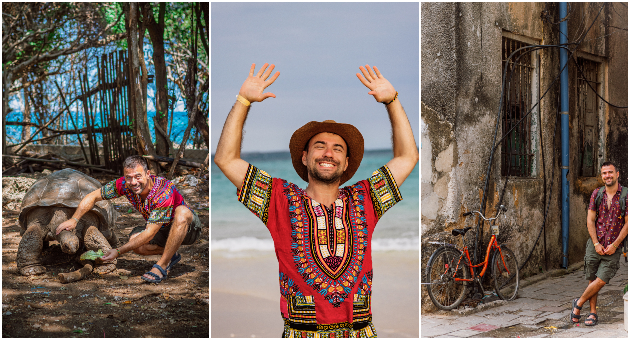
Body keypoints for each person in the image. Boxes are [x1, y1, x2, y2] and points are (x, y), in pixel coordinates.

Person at [214, 63, 418, 337]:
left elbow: (407, 158)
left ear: (346, 163)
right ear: (304, 157)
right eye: (319, 146)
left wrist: (392, 101)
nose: (328, 153)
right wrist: (243, 101)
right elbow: (226, 160)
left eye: (337, 149)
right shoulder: (280, 200)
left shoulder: (364, 198)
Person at [55, 155, 202, 283]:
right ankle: (172, 254)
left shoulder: (163, 192)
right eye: (129, 177)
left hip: (187, 230)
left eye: (138, 176)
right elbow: (93, 196)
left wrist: (118, 251)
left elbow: (150, 233)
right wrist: (74, 219)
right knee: (136, 243)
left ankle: (162, 265)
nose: (133, 182)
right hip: (162, 228)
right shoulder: (124, 185)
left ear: (148, 174)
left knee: (182, 212)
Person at [570, 162, 628, 326]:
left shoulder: (626, 195)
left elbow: (627, 224)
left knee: (601, 279)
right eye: (604, 173)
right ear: (601, 176)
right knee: (592, 278)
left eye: (610, 172)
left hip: (614, 246)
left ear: (617, 174)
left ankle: (578, 303)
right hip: (595, 244)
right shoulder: (597, 194)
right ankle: (593, 313)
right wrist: (595, 243)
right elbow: (590, 220)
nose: (607, 175)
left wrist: (615, 245)